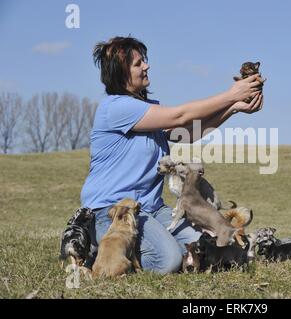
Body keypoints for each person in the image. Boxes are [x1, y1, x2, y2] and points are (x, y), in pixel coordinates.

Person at [81, 36, 264, 274]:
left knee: (202, 248)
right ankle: (99, 254)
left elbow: (186, 133)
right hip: (115, 211)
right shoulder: (116, 108)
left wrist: (233, 107)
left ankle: (130, 250)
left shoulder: (147, 110)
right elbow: (179, 116)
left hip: (151, 209)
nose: (146, 66)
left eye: (144, 61)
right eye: (138, 64)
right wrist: (231, 94)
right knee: (168, 261)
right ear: (120, 73)